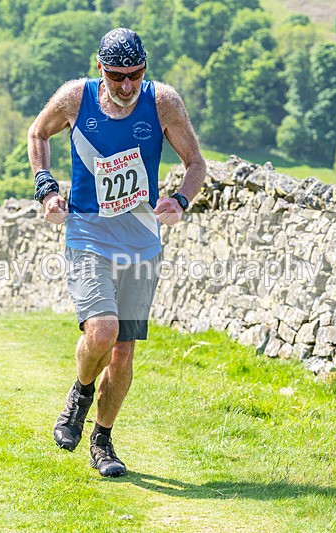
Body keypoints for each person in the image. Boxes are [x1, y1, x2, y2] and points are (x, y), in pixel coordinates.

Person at [27, 28, 206, 477]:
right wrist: (46, 188)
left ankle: (102, 440)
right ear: (99, 69)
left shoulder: (162, 102)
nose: (126, 86)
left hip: (142, 242)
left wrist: (180, 200)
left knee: (123, 353)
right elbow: (37, 133)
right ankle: (81, 392)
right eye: (116, 76)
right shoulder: (75, 98)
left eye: (135, 75)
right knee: (102, 331)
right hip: (88, 235)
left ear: (145, 68)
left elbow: (196, 164)